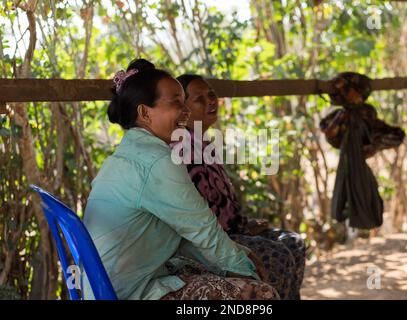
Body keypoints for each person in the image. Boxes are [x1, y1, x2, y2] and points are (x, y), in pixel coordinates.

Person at [81, 59, 279, 300]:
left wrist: (240, 254)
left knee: (223, 270)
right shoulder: (156, 160)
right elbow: (203, 230)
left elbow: (184, 234)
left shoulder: (129, 154)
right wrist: (248, 272)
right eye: (176, 101)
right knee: (261, 295)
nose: (186, 111)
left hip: (108, 287)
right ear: (144, 112)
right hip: (128, 293)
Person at [175, 73, 306, 300]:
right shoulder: (181, 145)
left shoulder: (203, 143)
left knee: (293, 242)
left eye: (212, 95)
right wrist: (242, 229)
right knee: (278, 255)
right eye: (199, 99)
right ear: (182, 108)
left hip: (232, 231)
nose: (211, 101)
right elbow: (197, 212)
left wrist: (244, 225)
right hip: (206, 241)